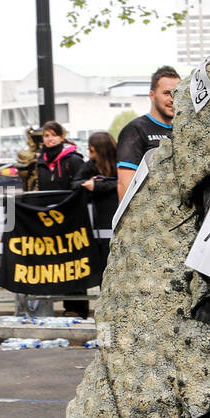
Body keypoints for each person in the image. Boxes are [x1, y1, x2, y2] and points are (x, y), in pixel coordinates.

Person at [68, 131, 119, 318]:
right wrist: (90, 183)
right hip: (99, 227)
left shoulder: (122, 161)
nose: (90, 154)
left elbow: (124, 183)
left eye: (92, 150)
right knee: (103, 270)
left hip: (116, 223)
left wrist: (99, 185)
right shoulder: (91, 165)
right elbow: (75, 184)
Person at [116, 65, 180, 201]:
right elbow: (125, 184)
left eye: (176, 93)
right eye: (166, 93)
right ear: (152, 95)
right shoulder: (135, 130)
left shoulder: (182, 130)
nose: (172, 99)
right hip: (150, 215)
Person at [35, 120, 85, 189]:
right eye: (46, 136)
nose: (50, 139)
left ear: (61, 138)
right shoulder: (41, 161)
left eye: (54, 135)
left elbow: (82, 187)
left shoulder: (73, 160)